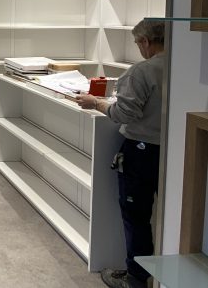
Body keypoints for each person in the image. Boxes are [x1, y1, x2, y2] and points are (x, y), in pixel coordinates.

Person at [75, 19, 165, 288]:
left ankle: (136, 278)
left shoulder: (142, 71)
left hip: (141, 151)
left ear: (146, 41)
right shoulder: (184, 65)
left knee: (136, 216)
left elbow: (123, 113)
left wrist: (96, 102)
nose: (138, 48)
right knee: (171, 213)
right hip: (174, 150)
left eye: (137, 43)